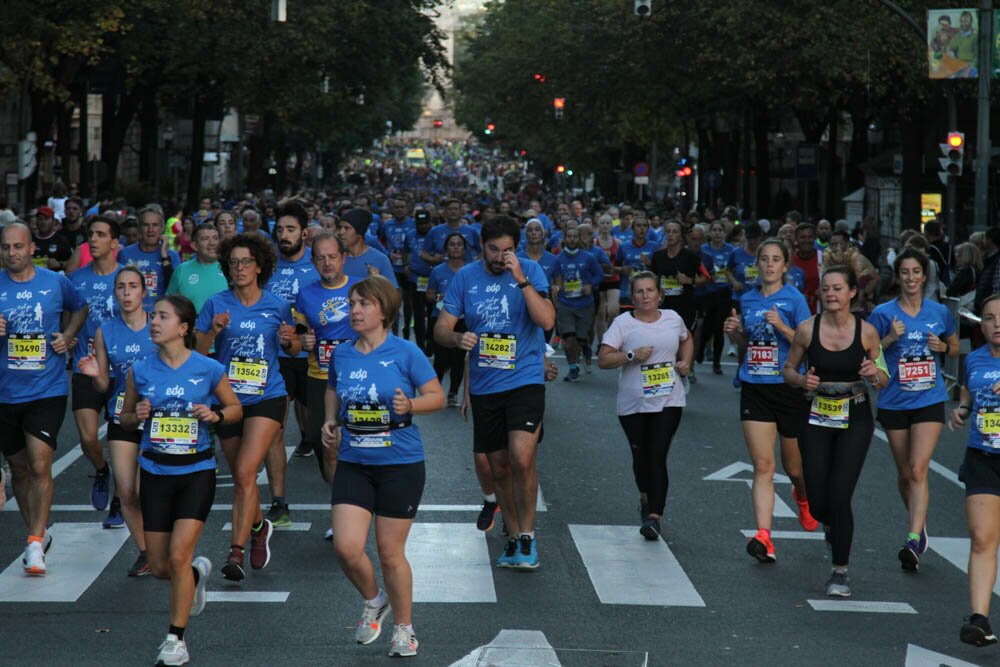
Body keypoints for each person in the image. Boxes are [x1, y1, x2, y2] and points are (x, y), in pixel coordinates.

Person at [321, 276, 445, 658]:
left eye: (363, 304)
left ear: (384, 311)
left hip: (400, 463)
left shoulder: (406, 352)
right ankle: (374, 599)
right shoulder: (342, 353)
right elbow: (332, 387)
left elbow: (437, 396)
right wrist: (330, 421)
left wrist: (411, 406)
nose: (354, 310)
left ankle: (404, 629)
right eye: (352, 303)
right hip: (355, 461)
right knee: (345, 547)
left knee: (390, 552)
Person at [119, 294, 242, 666]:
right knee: (161, 567)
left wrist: (216, 416)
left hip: (196, 472)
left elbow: (235, 408)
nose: (154, 322)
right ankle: (194, 575)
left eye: (162, 316)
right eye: (153, 316)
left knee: (177, 555)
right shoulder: (140, 370)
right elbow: (124, 418)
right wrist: (135, 413)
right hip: (155, 471)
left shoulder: (208, 369)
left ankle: (176, 639)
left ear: (184, 328)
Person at [435, 216, 555, 569]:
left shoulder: (530, 271)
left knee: (521, 457)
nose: (501, 256)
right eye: (494, 249)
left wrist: (521, 281)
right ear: (481, 247)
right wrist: (457, 338)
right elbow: (441, 329)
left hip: (525, 378)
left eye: (508, 250)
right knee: (499, 466)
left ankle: (529, 538)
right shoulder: (465, 278)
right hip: (486, 383)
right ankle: (515, 536)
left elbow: (547, 321)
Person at [195, 233, 300, 582]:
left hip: (268, 396)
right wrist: (212, 331)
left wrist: (291, 341)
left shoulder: (276, 305)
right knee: (242, 477)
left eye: (246, 262)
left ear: (259, 267)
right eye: (233, 262)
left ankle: (235, 552)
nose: (239, 268)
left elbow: (295, 348)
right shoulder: (215, 304)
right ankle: (258, 526)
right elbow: (197, 351)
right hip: (228, 399)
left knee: (244, 473)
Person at [782, 265, 888, 597]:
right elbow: (788, 369)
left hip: (854, 415)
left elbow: (884, 378)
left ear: (852, 293)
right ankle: (829, 521)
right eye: (826, 289)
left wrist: (874, 373)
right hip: (815, 414)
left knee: (840, 495)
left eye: (838, 288)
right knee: (817, 503)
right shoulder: (806, 330)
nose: (830, 294)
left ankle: (839, 572)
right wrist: (802, 380)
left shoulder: (867, 332)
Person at [0, 222, 87, 575]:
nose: (12, 254)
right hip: (5, 392)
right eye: (5, 248)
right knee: (19, 469)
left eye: (18, 247)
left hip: (46, 388)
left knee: (39, 464)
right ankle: (35, 533)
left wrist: (67, 335)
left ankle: (35, 542)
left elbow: (79, 308)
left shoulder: (55, 282)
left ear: (32, 248)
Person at [723, 239, 817, 563]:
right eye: (764, 259)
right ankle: (764, 536)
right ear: (757, 264)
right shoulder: (747, 297)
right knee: (763, 466)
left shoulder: (794, 299)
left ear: (785, 265)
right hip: (755, 385)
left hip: (789, 387)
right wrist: (734, 332)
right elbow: (748, 342)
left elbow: (809, 341)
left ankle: (803, 498)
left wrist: (783, 327)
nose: (769, 264)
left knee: (794, 468)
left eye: (776, 259)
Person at [868, 248, 958, 571]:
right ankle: (918, 525)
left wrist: (943, 348)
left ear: (924, 275)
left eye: (916, 272)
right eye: (904, 272)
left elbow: (956, 347)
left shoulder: (939, 312)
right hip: (893, 399)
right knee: (905, 473)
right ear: (898, 276)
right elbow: (868, 351)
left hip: (929, 399)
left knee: (919, 468)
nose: (910, 278)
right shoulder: (882, 313)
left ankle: (912, 537)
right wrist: (889, 339)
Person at [77, 266, 158, 576]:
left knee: (147, 489)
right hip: (121, 415)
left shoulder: (158, 326)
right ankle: (145, 552)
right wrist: (94, 374)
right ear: (115, 293)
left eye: (133, 286)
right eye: (121, 287)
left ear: (143, 292)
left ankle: (161, 544)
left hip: (155, 418)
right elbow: (103, 385)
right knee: (126, 491)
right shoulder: (104, 331)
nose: (127, 293)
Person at [598, 271, 691, 539]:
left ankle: (654, 516)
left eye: (650, 290)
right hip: (633, 403)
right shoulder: (623, 324)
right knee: (641, 457)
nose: (645, 296)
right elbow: (603, 360)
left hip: (669, 399)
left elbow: (687, 339)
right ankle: (644, 497)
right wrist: (630, 355)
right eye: (639, 292)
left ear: (660, 295)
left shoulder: (673, 319)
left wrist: (686, 362)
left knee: (657, 454)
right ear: (632, 297)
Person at [949, 294, 1000, 647]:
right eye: (989, 318)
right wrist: (964, 409)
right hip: (983, 455)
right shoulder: (974, 359)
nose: (997, 324)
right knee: (982, 539)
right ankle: (979, 619)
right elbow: (968, 393)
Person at [265, 202, 319, 523]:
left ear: (304, 232)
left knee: (319, 433)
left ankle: (339, 498)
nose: (284, 235)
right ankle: (279, 501)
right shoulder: (266, 266)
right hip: (276, 359)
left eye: (291, 229)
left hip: (312, 357)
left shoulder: (318, 265)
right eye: (280, 229)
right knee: (274, 430)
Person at [68, 216, 124, 526]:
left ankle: (119, 501)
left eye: (101, 234)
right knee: (89, 439)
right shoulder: (76, 279)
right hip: (86, 367)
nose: (94, 238)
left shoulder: (127, 279)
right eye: (91, 234)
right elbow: (66, 316)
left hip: (120, 370)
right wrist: (67, 334)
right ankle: (101, 471)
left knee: (121, 444)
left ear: (115, 243)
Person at [295, 232, 357, 485]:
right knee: (324, 443)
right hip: (320, 377)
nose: (327, 263)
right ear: (313, 262)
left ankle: (355, 500)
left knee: (355, 442)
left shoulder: (361, 287)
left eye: (333, 257)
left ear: (343, 258)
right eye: (321, 258)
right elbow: (299, 333)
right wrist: (303, 342)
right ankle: (340, 501)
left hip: (356, 377)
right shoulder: (305, 294)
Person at [552, 226, 603, 382]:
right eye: (570, 236)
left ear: (579, 238)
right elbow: (553, 278)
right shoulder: (558, 259)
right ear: (565, 238)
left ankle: (585, 349)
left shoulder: (588, 258)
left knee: (581, 339)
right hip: (565, 304)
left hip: (585, 305)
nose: (572, 239)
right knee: (568, 340)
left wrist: (591, 285)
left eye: (575, 236)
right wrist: (555, 287)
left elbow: (599, 274)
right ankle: (573, 369)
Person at [120, 205, 181, 311]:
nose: (150, 230)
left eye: (155, 225)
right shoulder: (125, 254)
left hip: (159, 318)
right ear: (139, 228)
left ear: (162, 228)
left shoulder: (173, 256)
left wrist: (164, 256)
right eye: (146, 225)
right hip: (131, 317)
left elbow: (175, 289)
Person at [698, 220, 736, 374]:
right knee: (706, 327)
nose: (717, 233)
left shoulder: (731, 250)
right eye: (714, 230)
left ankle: (716, 363)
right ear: (710, 233)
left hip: (724, 292)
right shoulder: (704, 249)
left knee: (719, 328)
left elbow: (733, 269)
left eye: (720, 230)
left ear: (725, 233)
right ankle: (700, 349)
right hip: (707, 292)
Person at [165, 223, 227, 313]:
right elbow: (168, 303)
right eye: (205, 239)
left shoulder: (230, 268)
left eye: (215, 238)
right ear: (194, 246)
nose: (212, 243)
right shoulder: (182, 270)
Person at [339, 208, 399, 287]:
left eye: (347, 228)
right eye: (340, 227)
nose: (341, 232)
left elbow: (394, 294)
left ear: (359, 233)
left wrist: (377, 282)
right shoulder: (334, 258)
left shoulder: (380, 259)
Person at [31, 206, 73, 271]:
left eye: (46, 219)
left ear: (53, 221)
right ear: (36, 221)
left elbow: (72, 262)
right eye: (40, 219)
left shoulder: (61, 240)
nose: (43, 222)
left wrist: (59, 264)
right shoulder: (29, 239)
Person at [792, 223, 821, 313]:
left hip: (818, 313)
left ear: (815, 238)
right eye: (803, 237)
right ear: (796, 240)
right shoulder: (790, 260)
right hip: (794, 313)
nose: (807, 240)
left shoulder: (823, 258)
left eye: (810, 237)